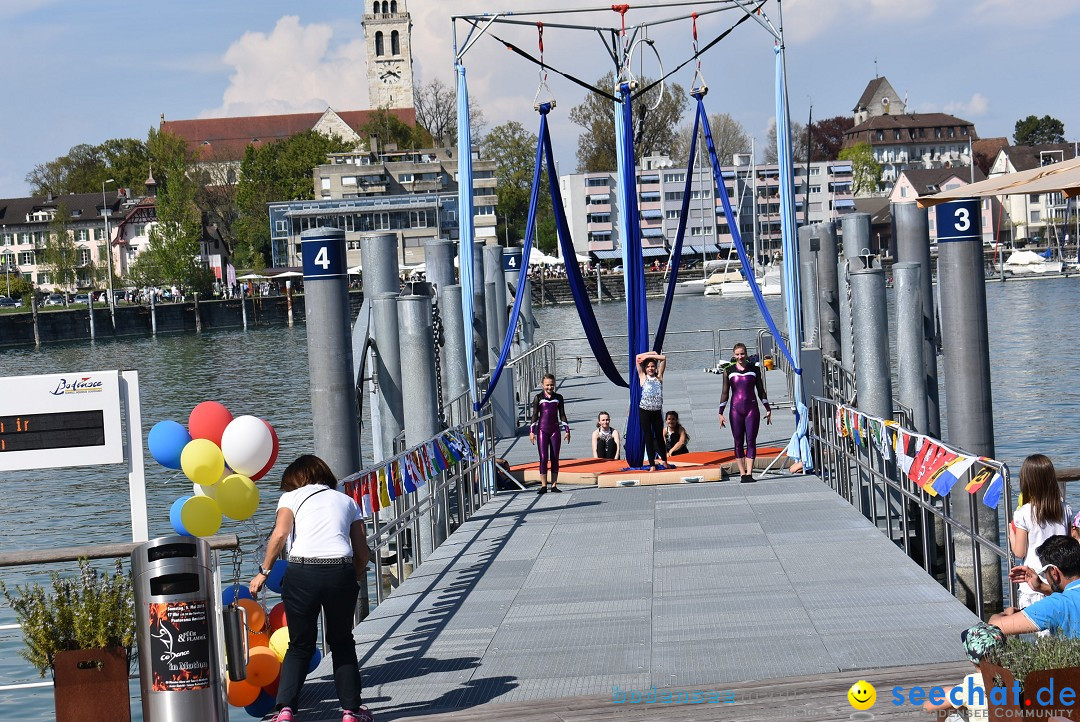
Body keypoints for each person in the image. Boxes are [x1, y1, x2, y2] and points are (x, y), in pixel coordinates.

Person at [249, 455, 373, 722]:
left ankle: (285, 711)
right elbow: (362, 550)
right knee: (341, 642)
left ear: (295, 480)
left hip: (302, 572)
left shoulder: (291, 498)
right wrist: (357, 573)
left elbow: (280, 535)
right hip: (340, 570)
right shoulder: (348, 501)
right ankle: (351, 711)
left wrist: (264, 572)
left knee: (299, 645)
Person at [1009, 454, 1074, 608]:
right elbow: (1068, 543)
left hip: (1033, 582)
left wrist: (1011, 532)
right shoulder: (1065, 509)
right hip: (1059, 581)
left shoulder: (1023, 513)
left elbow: (1019, 552)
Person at [991, 535, 1080, 638]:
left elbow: (993, 627)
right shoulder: (1066, 600)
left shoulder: (1056, 605)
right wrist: (1041, 587)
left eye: (1044, 573)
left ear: (1054, 572)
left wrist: (1005, 614)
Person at [921, 621, 1005, 721]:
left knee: (945, 707)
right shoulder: (1011, 679)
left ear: (970, 659)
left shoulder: (970, 687)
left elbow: (927, 707)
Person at [717, 343, 771, 483]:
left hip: (752, 410)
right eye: (737, 354)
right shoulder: (728, 371)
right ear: (734, 355)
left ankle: (749, 473)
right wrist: (720, 412)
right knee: (738, 442)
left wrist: (767, 408)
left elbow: (761, 390)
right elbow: (725, 393)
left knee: (751, 441)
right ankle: (742, 473)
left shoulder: (754, 369)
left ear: (746, 354)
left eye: (742, 354)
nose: (740, 357)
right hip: (736, 410)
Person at [530, 373, 570, 494]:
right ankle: (543, 485)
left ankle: (553, 485)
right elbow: (535, 415)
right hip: (542, 430)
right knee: (543, 457)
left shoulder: (559, 397)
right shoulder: (538, 397)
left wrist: (567, 430)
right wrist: (532, 431)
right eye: (547, 385)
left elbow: (562, 414)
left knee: (555, 458)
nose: (549, 387)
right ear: (543, 385)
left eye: (552, 385)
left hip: (555, 430)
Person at [636, 351, 668, 471]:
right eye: (648, 366)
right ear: (645, 368)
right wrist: (647, 356)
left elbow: (663, 358)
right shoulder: (643, 377)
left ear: (656, 368)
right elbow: (637, 358)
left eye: (653, 366)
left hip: (656, 411)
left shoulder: (659, 377)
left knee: (659, 436)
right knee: (648, 437)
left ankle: (664, 460)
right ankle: (652, 464)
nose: (650, 368)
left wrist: (650, 356)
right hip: (645, 411)